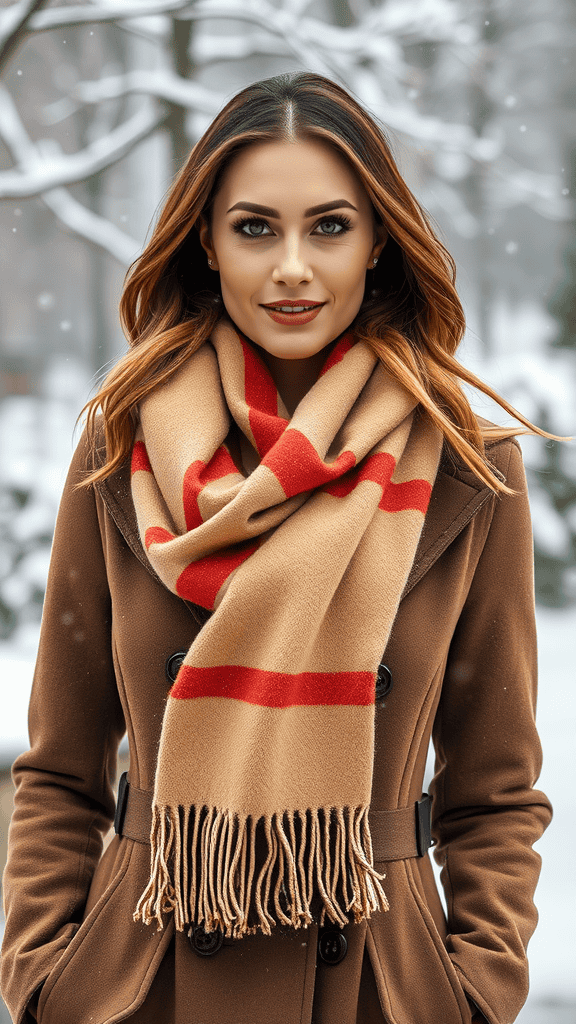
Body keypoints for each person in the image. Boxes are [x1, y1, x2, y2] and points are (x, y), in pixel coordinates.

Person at [1, 71, 553, 1024]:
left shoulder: (468, 465)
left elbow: (497, 790)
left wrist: (475, 989)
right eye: (255, 228)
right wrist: (45, 976)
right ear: (206, 244)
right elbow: (60, 770)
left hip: (376, 983)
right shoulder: (121, 450)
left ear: (379, 240)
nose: (292, 267)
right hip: (147, 979)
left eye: (329, 227)